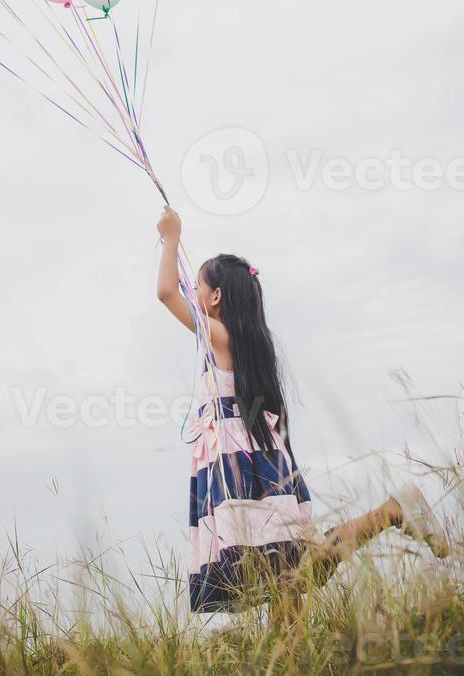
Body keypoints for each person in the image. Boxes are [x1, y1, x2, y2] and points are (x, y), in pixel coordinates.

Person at [155, 205, 450, 613]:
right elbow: (184, 290)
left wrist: (172, 237)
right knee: (288, 576)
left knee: (289, 571)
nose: (195, 293)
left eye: (201, 287)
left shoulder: (219, 337)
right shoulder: (245, 343)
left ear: (217, 297)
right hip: (257, 465)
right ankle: (391, 512)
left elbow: (168, 292)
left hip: (243, 475)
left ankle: (392, 511)